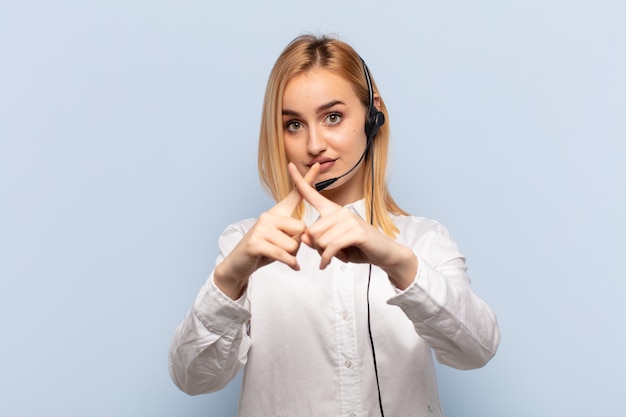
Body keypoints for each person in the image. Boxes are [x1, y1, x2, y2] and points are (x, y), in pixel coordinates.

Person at [168, 34, 500, 417]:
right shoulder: (244, 244)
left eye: (333, 117)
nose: (314, 144)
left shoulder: (424, 241)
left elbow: (477, 350)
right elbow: (193, 379)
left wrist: (399, 264)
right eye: (293, 124)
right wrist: (230, 279)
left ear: (373, 116)